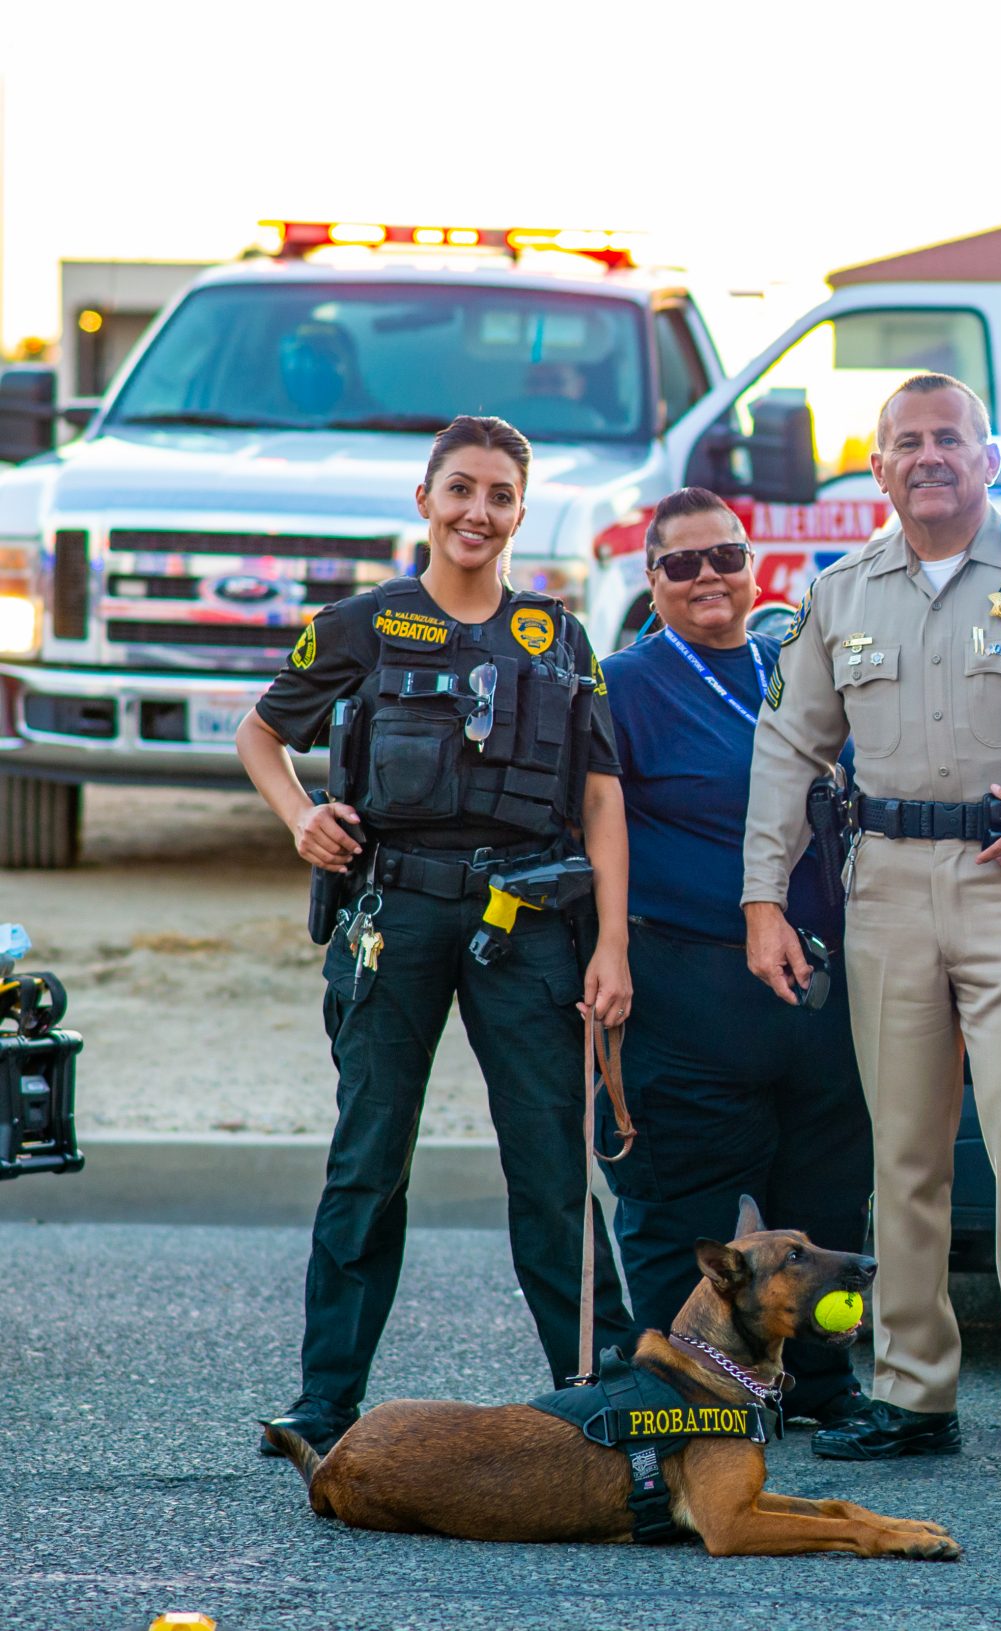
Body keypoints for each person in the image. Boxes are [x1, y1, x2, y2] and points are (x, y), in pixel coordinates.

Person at [741, 372, 1001, 1478]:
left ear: (989, 457)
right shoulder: (837, 594)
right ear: (877, 466)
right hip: (883, 883)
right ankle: (912, 1387)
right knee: (903, 1156)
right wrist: (762, 898)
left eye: (950, 438)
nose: (928, 456)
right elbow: (789, 746)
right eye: (905, 442)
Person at [237, 414, 634, 1455]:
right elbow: (262, 730)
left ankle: (594, 1385)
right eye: (460, 489)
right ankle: (325, 1402)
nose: (478, 511)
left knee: (549, 1162)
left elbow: (600, 798)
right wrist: (299, 816)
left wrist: (612, 944)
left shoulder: (557, 635)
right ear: (424, 499)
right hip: (393, 912)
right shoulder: (362, 624)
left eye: (500, 494)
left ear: (519, 510)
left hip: (529, 921)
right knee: (368, 1157)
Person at [595, 487, 873, 1428]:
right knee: (684, 1215)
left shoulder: (789, 661)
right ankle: (681, 1396)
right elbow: (594, 832)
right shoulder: (622, 686)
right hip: (687, 984)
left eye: (726, 556)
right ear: (652, 578)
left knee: (828, 1212)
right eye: (682, 563)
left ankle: (828, 1395)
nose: (707, 577)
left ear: (754, 565)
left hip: (813, 990)